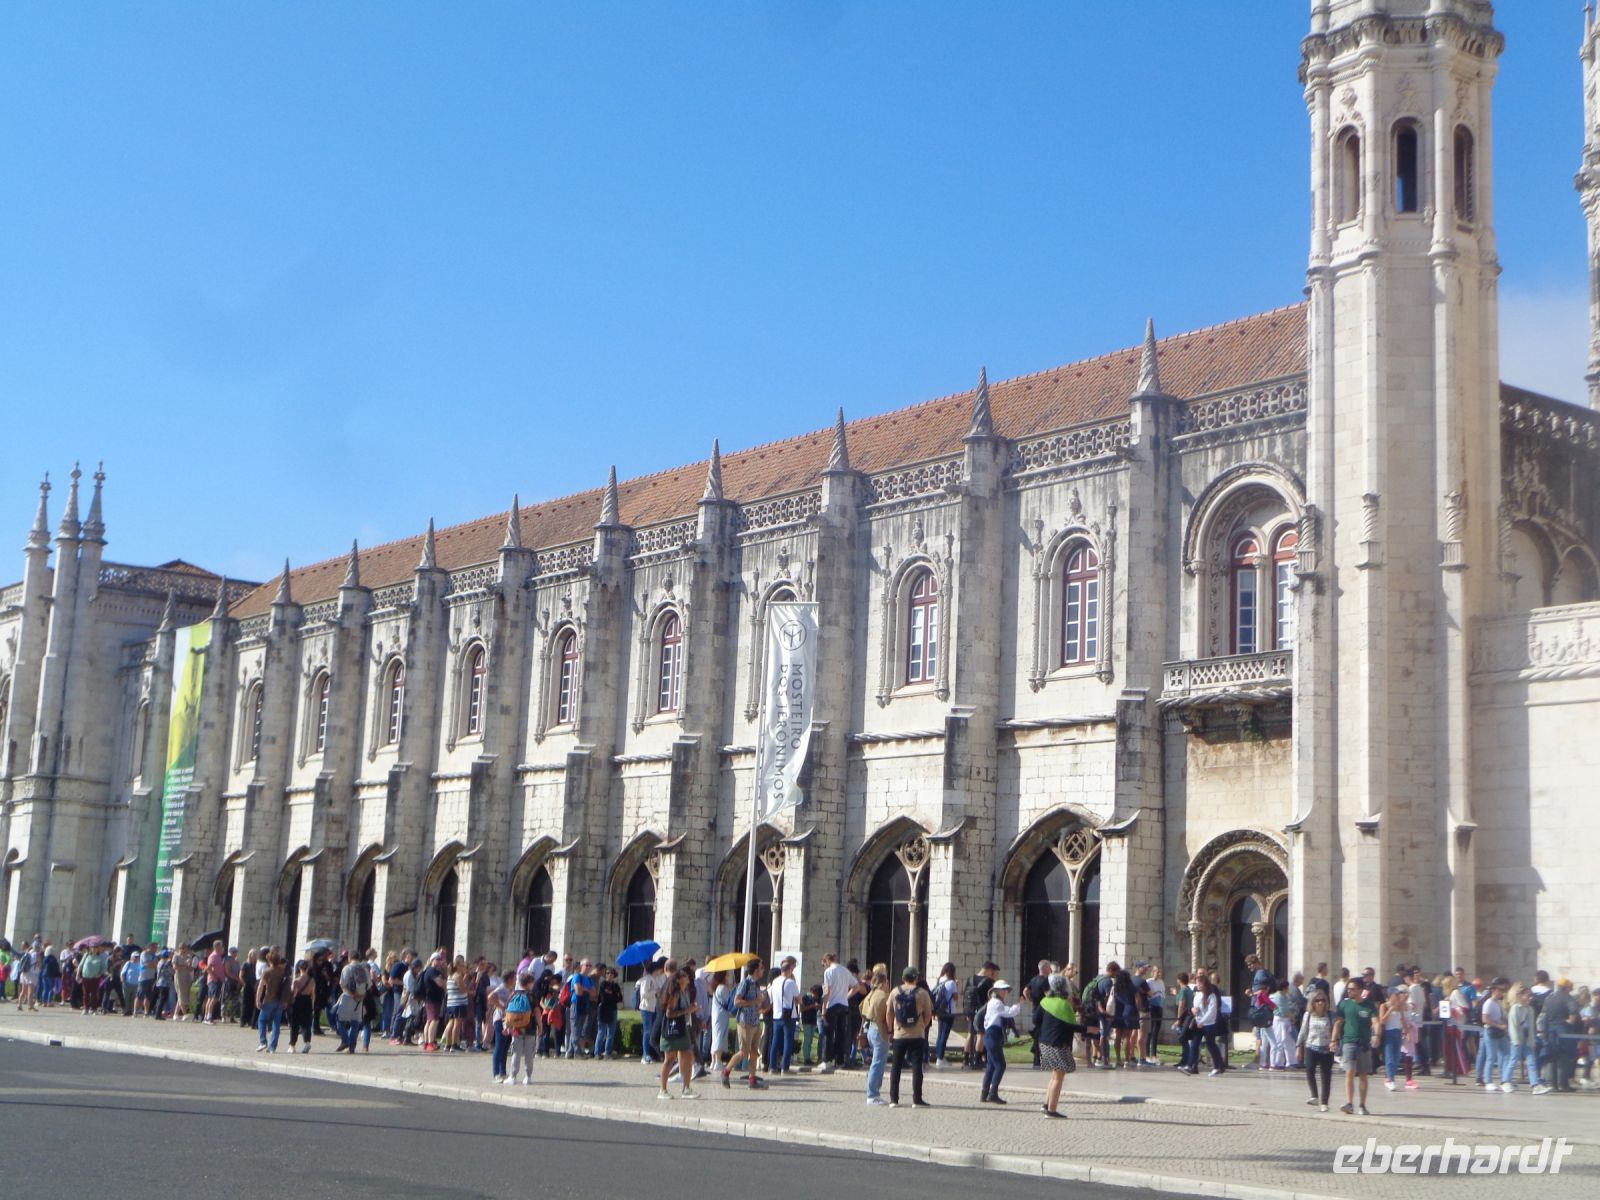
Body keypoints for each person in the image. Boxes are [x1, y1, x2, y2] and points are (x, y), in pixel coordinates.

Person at [888, 966, 933, 1108]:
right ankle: (917, 1099)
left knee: (896, 1067)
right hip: (917, 1035)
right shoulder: (922, 993)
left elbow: (889, 1013)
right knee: (916, 1068)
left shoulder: (894, 992)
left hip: (899, 1034)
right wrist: (922, 1026)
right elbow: (928, 1014)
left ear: (903, 978)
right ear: (916, 978)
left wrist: (890, 1030)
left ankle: (894, 1099)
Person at [1335, 977, 1379, 1115]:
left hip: (1364, 1043)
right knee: (1349, 1072)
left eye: (1352, 989)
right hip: (1348, 1042)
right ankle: (1349, 1103)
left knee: (1363, 1074)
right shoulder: (1344, 1005)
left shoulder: (1369, 1005)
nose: (1349, 991)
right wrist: (1333, 1039)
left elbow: (1376, 1022)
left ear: (1360, 990)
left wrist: (1376, 1035)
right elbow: (1338, 1022)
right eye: (1348, 989)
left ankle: (1362, 1105)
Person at [1037, 973, 1079, 1118]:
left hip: (1044, 1042)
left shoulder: (1045, 1001)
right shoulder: (1064, 1005)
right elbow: (1072, 1026)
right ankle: (1051, 1110)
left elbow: (1037, 1019)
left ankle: (1046, 1104)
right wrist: (1089, 1030)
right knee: (1058, 1077)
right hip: (1057, 1044)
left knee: (1054, 1075)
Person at [722, 960, 768, 1090]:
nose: (763, 971)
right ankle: (726, 1071)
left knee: (754, 1052)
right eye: (761, 968)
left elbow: (756, 1003)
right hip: (745, 1022)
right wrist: (754, 1001)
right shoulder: (745, 983)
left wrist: (761, 1001)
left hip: (755, 1021)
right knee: (744, 1052)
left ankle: (752, 1079)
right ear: (755, 970)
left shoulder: (756, 985)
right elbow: (737, 1002)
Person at [656, 966, 701, 1100]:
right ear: (680, 979)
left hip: (683, 1028)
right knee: (669, 1060)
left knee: (688, 1056)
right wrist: (688, 1010)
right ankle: (662, 1090)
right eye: (686, 976)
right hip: (673, 1029)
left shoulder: (685, 991)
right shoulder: (675, 993)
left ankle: (686, 1088)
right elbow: (670, 1013)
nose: (689, 978)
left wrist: (691, 1010)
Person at [980, 979, 1021, 1103]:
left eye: (1006, 990)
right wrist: (1019, 1004)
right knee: (1000, 1065)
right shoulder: (996, 1003)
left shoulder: (994, 1002)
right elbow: (1009, 1012)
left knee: (991, 1066)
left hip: (992, 1035)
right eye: (1003, 990)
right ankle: (992, 1093)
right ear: (997, 991)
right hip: (992, 1034)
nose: (1005, 992)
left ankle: (985, 1093)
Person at [1298, 989, 1335, 1111]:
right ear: (1312, 1002)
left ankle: (1324, 1102)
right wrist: (1299, 1046)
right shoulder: (1308, 1015)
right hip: (1311, 1046)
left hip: (1326, 1048)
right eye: (1317, 1000)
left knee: (1326, 1076)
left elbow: (1335, 1030)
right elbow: (1303, 1031)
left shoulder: (1330, 1015)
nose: (1320, 1003)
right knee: (1309, 1070)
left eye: (1322, 1000)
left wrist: (1335, 1042)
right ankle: (1314, 1095)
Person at [860, 968, 892, 1105]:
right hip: (879, 1028)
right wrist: (890, 1030)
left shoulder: (871, 994)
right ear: (884, 982)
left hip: (870, 1028)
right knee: (878, 1063)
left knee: (876, 1061)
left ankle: (874, 1092)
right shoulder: (884, 996)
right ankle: (872, 1094)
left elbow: (861, 1007)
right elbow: (888, 1013)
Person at [819, 952, 856, 1073]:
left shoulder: (829, 972)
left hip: (832, 1004)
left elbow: (827, 990)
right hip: (844, 1004)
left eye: (823, 964)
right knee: (841, 1033)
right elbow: (856, 986)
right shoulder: (845, 971)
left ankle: (827, 1060)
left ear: (826, 961)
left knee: (828, 1033)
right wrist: (846, 996)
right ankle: (840, 1060)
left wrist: (824, 1006)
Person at [767, 956, 801, 1074]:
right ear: (789, 970)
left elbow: (770, 999)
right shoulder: (791, 982)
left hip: (776, 1015)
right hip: (789, 1015)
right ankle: (784, 1067)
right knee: (788, 1041)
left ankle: (772, 1066)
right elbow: (798, 999)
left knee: (775, 1041)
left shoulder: (774, 982)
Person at [963, 961, 998, 1070]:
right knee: (980, 1035)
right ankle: (977, 1059)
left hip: (970, 1011)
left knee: (970, 1034)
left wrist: (966, 1012)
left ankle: (966, 1059)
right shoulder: (988, 981)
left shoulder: (970, 979)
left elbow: (964, 995)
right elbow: (991, 998)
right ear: (989, 970)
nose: (993, 974)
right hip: (982, 1012)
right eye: (993, 972)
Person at [504, 972, 536, 1084]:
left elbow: (508, 1012)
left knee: (516, 1052)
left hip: (516, 1028)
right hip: (530, 1027)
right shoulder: (532, 996)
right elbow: (537, 1012)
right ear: (530, 983)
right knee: (529, 1053)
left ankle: (513, 1076)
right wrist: (540, 1026)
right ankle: (528, 1077)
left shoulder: (513, 994)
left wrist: (507, 1026)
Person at [1025, 959, 1053, 1069]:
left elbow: (1025, 991)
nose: (1050, 969)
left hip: (1035, 1010)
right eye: (1049, 967)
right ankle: (1040, 1059)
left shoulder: (1033, 980)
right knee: (1043, 1036)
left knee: (1037, 1036)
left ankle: (1036, 1059)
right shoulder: (1045, 981)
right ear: (1045, 968)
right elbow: (1048, 996)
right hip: (1044, 1012)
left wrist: (1031, 1000)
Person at [930, 962, 958, 1068]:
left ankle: (939, 1056)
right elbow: (955, 997)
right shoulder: (952, 983)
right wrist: (956, 985)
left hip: (940, 1011)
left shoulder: (939, 980)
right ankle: (940, 1058)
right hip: (949, 1011)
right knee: (944, 1035)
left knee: (940, 1034)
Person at [637, 959, 664, 1064]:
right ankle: (645, 1054)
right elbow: (644, 994)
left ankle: (649, 1054)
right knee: (647, 1032)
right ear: (656, 969)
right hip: (646, 1008)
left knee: (650, 1031)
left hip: (652, 1008)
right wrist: (655, 991)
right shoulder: (647, 979)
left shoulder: (654, 979)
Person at [287, 959, 316, 1053]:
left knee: (295, 1024)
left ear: (299, 968)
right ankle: (307, 1042)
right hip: (307, 1001)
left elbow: (293, 992)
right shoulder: (312, 980)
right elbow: (313, 994)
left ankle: (292, 1045)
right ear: (307, 969)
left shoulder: (296, 980)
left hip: (298, 1001)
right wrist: (312, 1005)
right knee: (306, 1023)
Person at [595, 966, 623, 1059]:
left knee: (611, 1032)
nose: (609, 975)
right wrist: (612, 995)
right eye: (607, 973)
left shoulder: (616, 985)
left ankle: (607, 1052)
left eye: (611, 973)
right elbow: (603, 998)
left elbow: (620, 998)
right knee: (601, 1032)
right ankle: (597, 1052)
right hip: (603, 1009)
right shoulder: (603, 984)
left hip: (613, 1009)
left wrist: (611, 994)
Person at [799, 983, 822, 1066]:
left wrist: (818, 1007)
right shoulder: (805, 997)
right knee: (807, 1039)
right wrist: (812, 1006)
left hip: (813, 1020)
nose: (816, 996)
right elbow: (802, 1009)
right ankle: (806, 1058)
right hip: (806, 1021)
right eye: (815, 994)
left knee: (811, 1040)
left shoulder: (818, 999)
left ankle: (809, 1057)